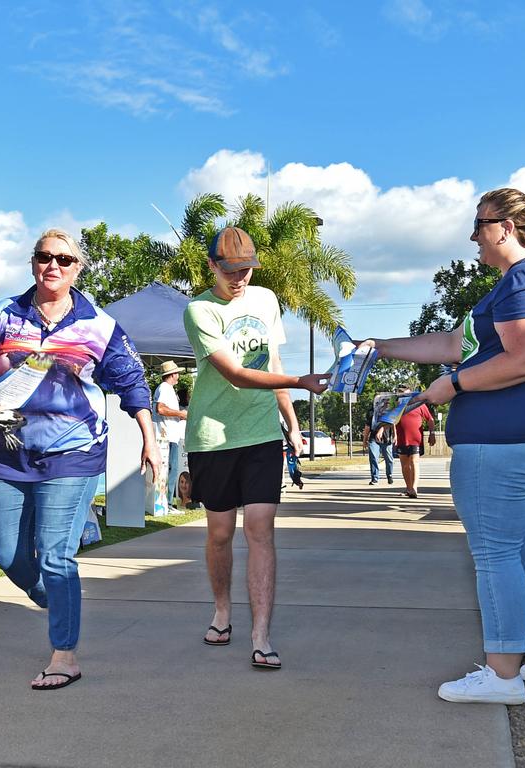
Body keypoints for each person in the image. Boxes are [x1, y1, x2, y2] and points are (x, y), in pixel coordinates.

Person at [360, 188, 525, 704]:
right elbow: (451, 344)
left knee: (496, 554)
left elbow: (524, 358)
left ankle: (503, 675)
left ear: (506, 227)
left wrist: (454, 385)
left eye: (480, 226)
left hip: (504, 439)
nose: (474, 238)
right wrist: (379, 346)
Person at [0, 228, 158, 691]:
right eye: (45, 256)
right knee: (7, 554)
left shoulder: (99, 325)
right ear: (33, 263)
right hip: (9, 449)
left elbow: (130, 381)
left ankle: (64, 654)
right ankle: (59, 598)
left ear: (77, 269)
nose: (54, 265)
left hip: (74, 451)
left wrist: (148, 436)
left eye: (65, 259)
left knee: (54, 553)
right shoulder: (3, 314)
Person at [183, 226, 329, 671]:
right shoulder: (199, 311)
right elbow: (236, 373)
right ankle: (223, 609)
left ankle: (261, 634)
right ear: (211, 266)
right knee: (221, 534)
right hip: (213, 436)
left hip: (261, 433)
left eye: (246, 269)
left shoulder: (266, 300)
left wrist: (291, 421)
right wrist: (300, 382)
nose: (240, 278)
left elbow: (272, 362)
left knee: (261, 529)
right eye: (231, 270)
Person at [153, 360, 187, 508]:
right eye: (177, 373)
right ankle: (167, 502)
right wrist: (180, 413)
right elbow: (160, 409)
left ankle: (165, 502)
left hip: (167, 435)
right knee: (171, 469)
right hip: (167, 436)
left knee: (169, 469)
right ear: (173, 374)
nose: (178, 375)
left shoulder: (165, 388)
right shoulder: (165, 388)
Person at [393, 384, 437, 498]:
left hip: (415, 438)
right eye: (401, 392)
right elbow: (391, 420)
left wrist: (432, 434)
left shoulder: (419, 404)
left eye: (406, 393)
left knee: (414, 462)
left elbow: (430, 419)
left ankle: (414, 488)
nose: (403, 395)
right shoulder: (397, 405)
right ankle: (408, 488)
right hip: (402, 439)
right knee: (405, 465)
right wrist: (393, 434)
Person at [362, 406, 394, 486]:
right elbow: (367, 426)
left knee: (389, 458)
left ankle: (389, 475)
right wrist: (365, 439)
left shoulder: (389, 409)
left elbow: (393, 423)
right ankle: (374, 478)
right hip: (374, 437)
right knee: (373, 457)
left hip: (386, 438)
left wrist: (395, 435)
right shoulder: (371, 411)